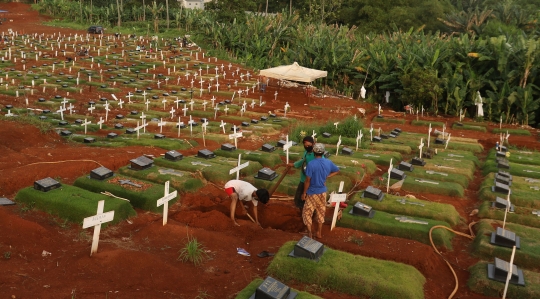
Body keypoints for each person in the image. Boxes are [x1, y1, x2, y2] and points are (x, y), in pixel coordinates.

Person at [302, 143, 339, 239]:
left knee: (307, 213)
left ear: (314, 152)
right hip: (323, 192)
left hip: (312, 192)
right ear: (323, 152)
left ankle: (310, 233)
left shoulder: (311, 164)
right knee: (321, 212)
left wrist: (304, 193)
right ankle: (319, 233)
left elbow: (307, 181)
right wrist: (329, 175)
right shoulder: (328, 162)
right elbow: (337, 170)